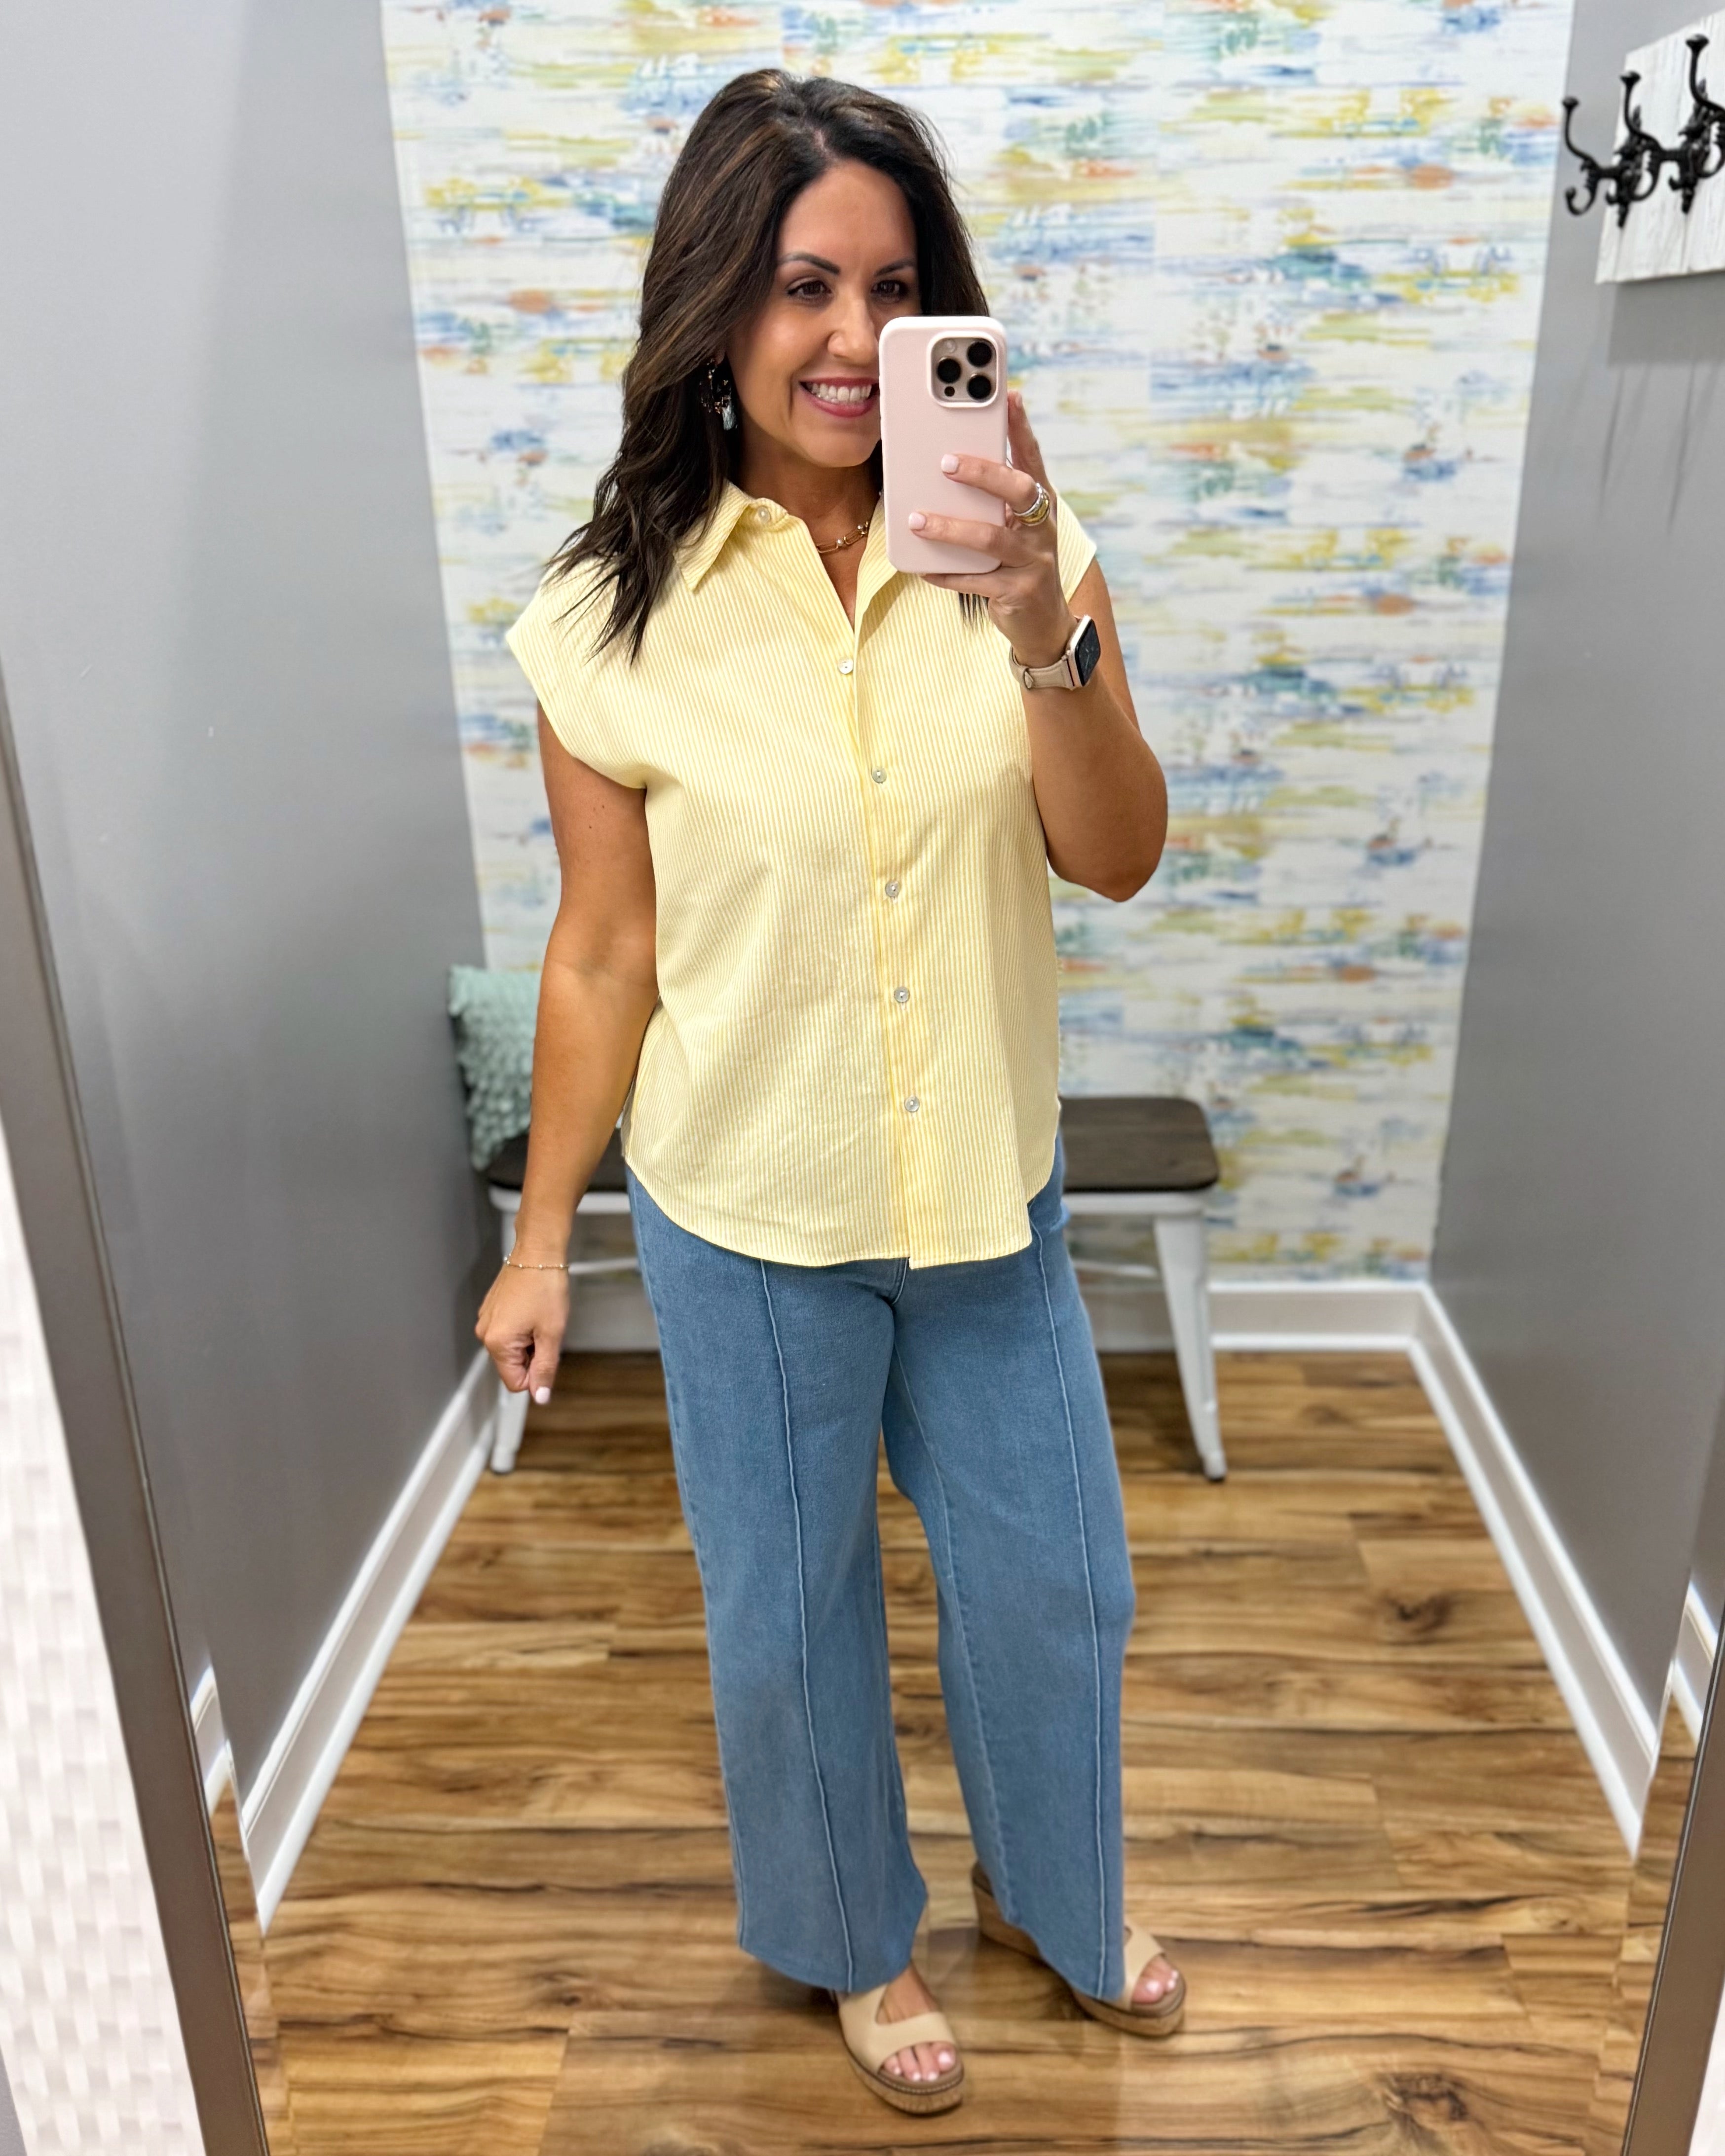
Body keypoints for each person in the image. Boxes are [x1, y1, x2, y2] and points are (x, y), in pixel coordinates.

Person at [479, 67, 1176, 2115]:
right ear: (717, 304)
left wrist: (1044, 622)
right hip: (746, 1219)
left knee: (1059, 1588)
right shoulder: (605, 618)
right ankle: (855, 1947)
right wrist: (540, 1247)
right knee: (787, 1627)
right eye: (801, 285)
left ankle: (1055, 1893)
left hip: (985, 1201)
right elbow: (605, 951)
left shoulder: (1031, 556)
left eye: (894, 287)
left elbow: (1118, 853)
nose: (853, 342)